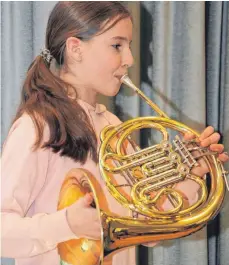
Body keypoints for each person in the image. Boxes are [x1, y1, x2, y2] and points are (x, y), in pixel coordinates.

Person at [1, 2, 228, 265]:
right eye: (117, 46)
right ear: (76, 49)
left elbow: (145, 226)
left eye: (128, 46)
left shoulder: (112, 126)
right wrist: (66, 224)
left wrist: (191, 175)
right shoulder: (38, 126)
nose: (130, 59)